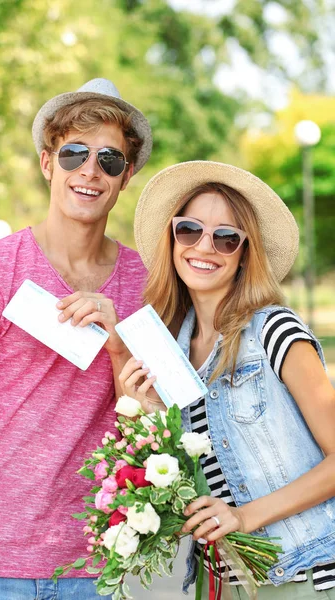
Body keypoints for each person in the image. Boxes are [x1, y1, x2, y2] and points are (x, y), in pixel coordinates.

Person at [0, 78, 152, 600]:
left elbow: (146, 423)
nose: (90, 170)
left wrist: (119, 342)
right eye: (74, 152)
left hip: (92, 567)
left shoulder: (144, 282)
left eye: (110, 160)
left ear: (125, 179)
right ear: (46, 163)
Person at [119, 161, 335, 599]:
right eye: (190, 230)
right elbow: (196, 484)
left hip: (302, 575)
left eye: (226, 237)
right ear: (172, 238)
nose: (205, 246)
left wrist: (244, 516)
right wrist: (148, 411)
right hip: (221, 583)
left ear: (244, 253)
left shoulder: (274, 331)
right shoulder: (172, 353)